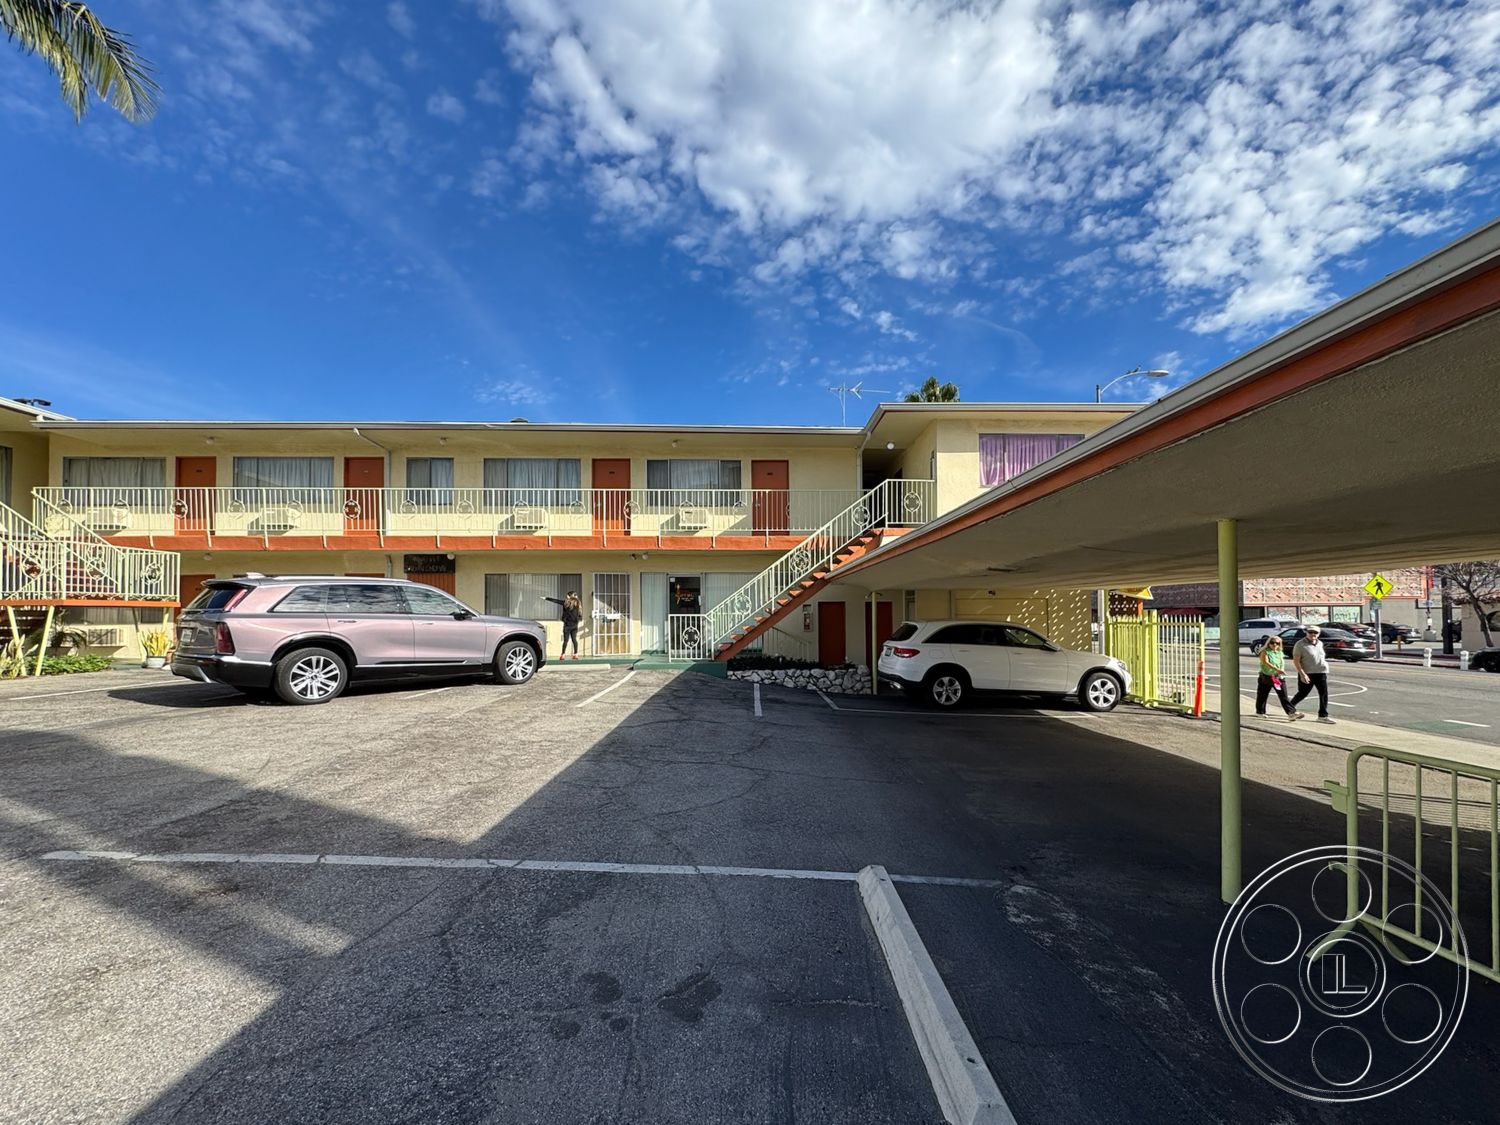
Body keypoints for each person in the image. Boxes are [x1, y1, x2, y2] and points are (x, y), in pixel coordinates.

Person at [1290, 625, 1334, 723]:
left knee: (1323, 694)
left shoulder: (1320, 643)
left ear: (1318, 634)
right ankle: (1289, 708)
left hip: (1321, 672)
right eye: (1310, 632)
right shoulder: (1300, 644)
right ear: (1306, 633)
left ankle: (1322, 716)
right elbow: (1296, 661)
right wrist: (1302, 674)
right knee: (1303, 693)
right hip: (1307, 673)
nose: (1313, 634)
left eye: (1315, 633)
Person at [1255, 636, 1302, 720]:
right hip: (1266, 676)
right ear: (1268, 643)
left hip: (1278, 677)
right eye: (1272, 642)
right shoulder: (1265, 652)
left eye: (1277, 643)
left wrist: (1280, 671)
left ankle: (1291, 713)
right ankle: (1260, 712)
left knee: (1283, 695)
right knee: (1262, 695)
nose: (1274, 644)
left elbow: (1281, 663)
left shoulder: (1279, 652)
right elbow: (1265, 662)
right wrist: (1277, 669)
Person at [545, 591, 582, 660]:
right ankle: (576, 654)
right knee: (574, 639)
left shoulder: (566, 603)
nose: (566, 597)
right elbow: (579, 614)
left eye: (567, 596)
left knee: (566, 640)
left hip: (567, 625)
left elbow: (556, 601)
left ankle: (563, 654)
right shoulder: (578, 603)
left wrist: (546, 598)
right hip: (574, 625)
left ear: (569, 596)